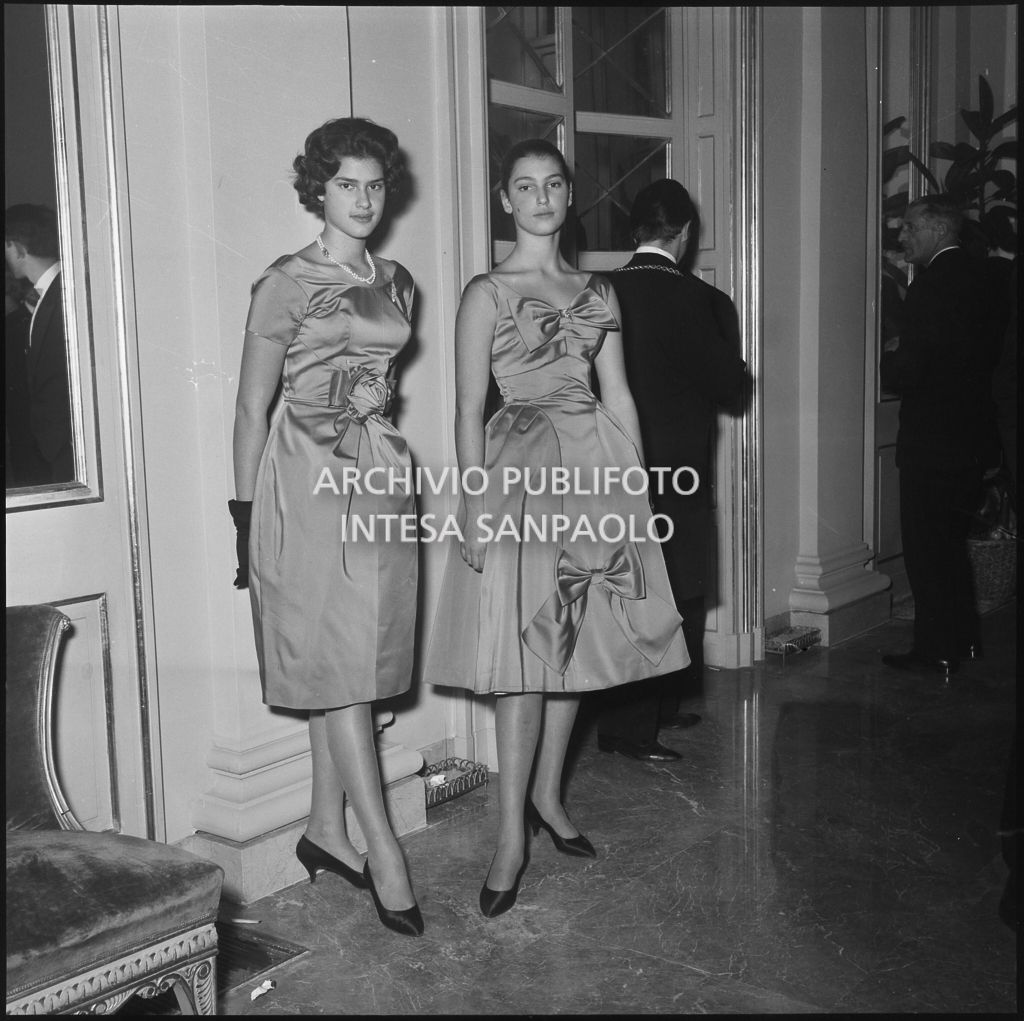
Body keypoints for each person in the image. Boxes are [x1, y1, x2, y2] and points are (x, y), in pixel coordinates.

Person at [423, 139, 688, 917]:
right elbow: (470, 407)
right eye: (524, 185)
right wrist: (471, 502)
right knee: (524, 659)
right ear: (506, 198)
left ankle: (547, 795)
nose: (540, 196)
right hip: (519, 474)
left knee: (574, 639)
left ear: (569, 196)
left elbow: (621, 395)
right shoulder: (487, 291)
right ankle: (510, 834)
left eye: (553, 184)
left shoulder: (601, 290)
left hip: (595, 463)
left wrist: (638, 485)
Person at [230, 117, 423, 937]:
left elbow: (375, 372)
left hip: (377, 471)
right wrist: (243, 516)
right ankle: (383, 848)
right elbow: (250, 404)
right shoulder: (285, 280)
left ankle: (323, 826)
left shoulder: (400, 280)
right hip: (305, 479)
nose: (364, 199)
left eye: (375, 184)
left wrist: (377, 398)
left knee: (355, 653)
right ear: (319, 187)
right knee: (339, 659)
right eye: (347, 183)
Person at [594, 179, 748, 762]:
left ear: (636, 230)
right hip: (677, 469)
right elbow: (732, 391)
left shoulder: (598, 289)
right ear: (682, 235)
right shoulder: (701, 300)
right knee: (676, 589)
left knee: (624, 590)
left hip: (609, 463)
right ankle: (634, 728)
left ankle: (640, 713)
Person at [879, 195, 994, 677]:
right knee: (951, 546)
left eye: (909, 227)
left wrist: (887, 359)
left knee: (928, 550)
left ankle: (936, 650)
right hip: (971, 439)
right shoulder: (986, 279)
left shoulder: (931, 287)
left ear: (937, 230)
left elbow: (914, 369)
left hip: (931, 441)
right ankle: (964, 641)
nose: (901, 236)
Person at [4, 203, 74, 485]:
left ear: (19, 249)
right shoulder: (44, 294)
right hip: (52, 448)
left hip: (67, 448)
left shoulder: (65, 293)